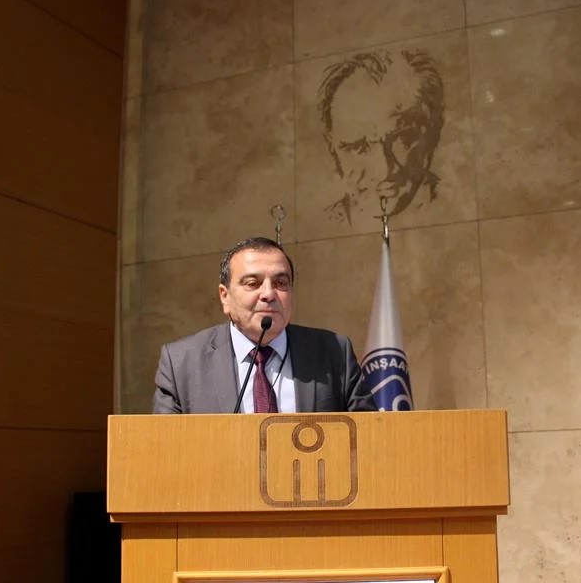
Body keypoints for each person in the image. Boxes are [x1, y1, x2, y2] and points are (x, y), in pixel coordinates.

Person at [153, 237, 375, 413]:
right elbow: (165, 447)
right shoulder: (181, 363)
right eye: (253, 283)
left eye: (280, 283)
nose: (269, 294)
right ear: (224, 296)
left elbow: (368, 438)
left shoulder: (334, 352)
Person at [317, 49, 445, 225]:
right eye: (357, 147)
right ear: (332, 147)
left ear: (432, 134)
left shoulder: (458, 201)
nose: (383, 171)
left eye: (402, 140)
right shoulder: (322, 223)